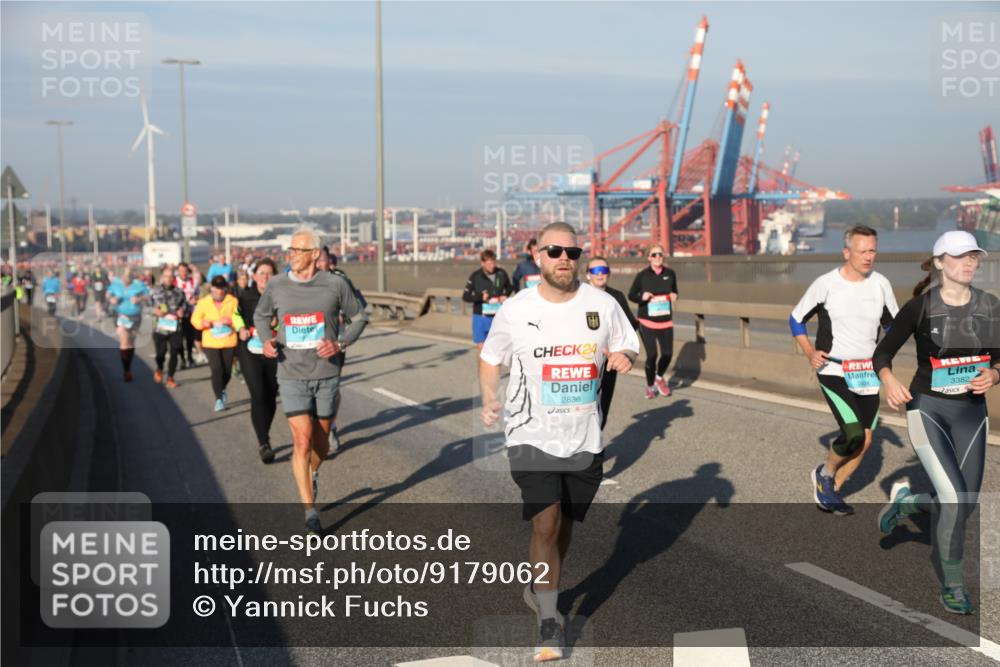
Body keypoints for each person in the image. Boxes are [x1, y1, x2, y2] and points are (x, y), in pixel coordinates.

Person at [479, 222, 640, 662]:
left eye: (572, 252)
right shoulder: (516, 309)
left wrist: (624, 356)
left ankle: (540, 587)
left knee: (565, 524)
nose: (564, 258)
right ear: (538, 256)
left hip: (584, 434)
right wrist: (489, 396)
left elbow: (629, 343)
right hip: (530, 433)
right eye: (554, 251)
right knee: (546, 523)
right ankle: (549, 619)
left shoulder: (602, 304)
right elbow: (490, 358)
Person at [874, 230, 999, 615]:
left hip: (971, 413)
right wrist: (889, 381)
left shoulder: (990, 306)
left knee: (965, 503)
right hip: (927, 408)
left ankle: (908, 504)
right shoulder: (920, 308)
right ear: (940, 262)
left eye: (974, 256)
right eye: (960, 256)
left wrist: (995, 375)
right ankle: (954, 586)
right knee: (955, 499)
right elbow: (882, 353)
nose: (970, 262)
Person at [255, 228, 367, 535]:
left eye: (298, 250)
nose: (291, 255)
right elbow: (261, 316)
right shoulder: (277, 284)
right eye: (290, 249)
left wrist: (340, 343)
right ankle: (310, 512)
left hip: (326, 373)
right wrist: (266, 340)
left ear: (315, 254)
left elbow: (359, 317)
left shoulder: (335, 284)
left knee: (321, 443)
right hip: (290, 373)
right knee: (302, 440)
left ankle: (312, 472)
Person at [790, 225, 898, 515]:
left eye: (872, 250)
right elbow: (796, 319)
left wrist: (888, 358)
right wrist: (810, 352)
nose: (868, 257)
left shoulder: (881, 284)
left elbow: (893, 326)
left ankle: (831, 489)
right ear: (846, 252)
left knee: (865, 441)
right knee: (852, 433)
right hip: (833, 370)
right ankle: (824, 474)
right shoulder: (826, 284)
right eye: (862, 251)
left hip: (867, 373)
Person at [318, 247, 367, 452]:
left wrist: (343, 315)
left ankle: (330, 426)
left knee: (332, 387)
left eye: (321, 259)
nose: (317, 264)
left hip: (335, 342)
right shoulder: (298, 281)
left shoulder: (341, 280)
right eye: (314, 259)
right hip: (306, 344)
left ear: (329, 261)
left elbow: (359, 307)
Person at [234, 258, 280, 463]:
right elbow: (235, 315)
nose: (265, 277)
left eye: (269, 273)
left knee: (270, 395)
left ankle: (264, 431)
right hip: (249, 350)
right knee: (258, 393)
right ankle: (263, 443)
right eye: (261, 273)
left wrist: (277, 325)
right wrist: (241, 328)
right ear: (254, 276)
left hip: (273, 351)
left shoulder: (281, 297)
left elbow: (289, 320)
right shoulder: (245, 296)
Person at [586, 256, 639, 429]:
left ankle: (598, 438)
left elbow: (629, 325)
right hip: (585, 358)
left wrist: (621, 349)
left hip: (610, 358)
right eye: (595, 271)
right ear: (588, 275)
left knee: (604, 401)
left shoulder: (617, 297)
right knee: (584, 402)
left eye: (604, 270)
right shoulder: (579, 297)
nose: (600, 274)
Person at [628, 244, 679, 399]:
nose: (658, 257)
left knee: (667, 354)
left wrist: (674, 295)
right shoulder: (642, 276)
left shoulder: (670, 274)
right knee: (652, 355)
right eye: (654, 255)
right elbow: (631, 295)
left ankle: (659, 377)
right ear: (649, 257)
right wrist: (642, 297)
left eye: (660, 254)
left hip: (665, 320)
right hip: (646, 321)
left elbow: (674, 291)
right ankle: (650, 386)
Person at [191, 275, 240, 412]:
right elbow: (195, 320)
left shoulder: (233, 301)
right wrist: (208, 323)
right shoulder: (203, 302)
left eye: (221, 288)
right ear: (211, 288)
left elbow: (239, 319)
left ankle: (221, 389)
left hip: (228, 340)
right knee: (217, 369)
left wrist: (230, 321)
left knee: (227, 371)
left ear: (225, 288)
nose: (219, 291)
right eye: (216, 288)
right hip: (211, 341)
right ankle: (219, 399)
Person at [462, 249, 513, 350]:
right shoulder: (475, 276)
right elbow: (465, 296)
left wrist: (504, 295)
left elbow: (509, 287)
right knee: (481, 347)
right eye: (489, 264)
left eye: (493, 263)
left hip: (497, 316)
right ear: (482, 263)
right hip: (480, 316)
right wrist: (480, 297)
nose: (492, 266)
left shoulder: (501, 273)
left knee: (496, 348)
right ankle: (481, 361)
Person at [108, 267, 150, 382]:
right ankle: (126, 371)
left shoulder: (139, 284)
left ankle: (128, 367)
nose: (127, 280)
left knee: (131, 343)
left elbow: (148, 296)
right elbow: (108, 294)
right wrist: (112, 299)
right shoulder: (116, 284)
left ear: (133, 277)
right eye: (125, 278)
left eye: (129, 278)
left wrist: (139, 299)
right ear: (121, 276)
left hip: (135, 317)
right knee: (124, 342)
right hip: (120, 315)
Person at [150, 266, 186, 388]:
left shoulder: (179, 292)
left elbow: (184, 306)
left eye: (171, 276)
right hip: (159, 328)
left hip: (175, 327)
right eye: (166, 276)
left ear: (174, 278)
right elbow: (147, 306)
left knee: (174, 352)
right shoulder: (155, 292)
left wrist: (182, 311)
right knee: (160, 354)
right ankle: (159, 368)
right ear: (162, 277)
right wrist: (155, 311)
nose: (169, 279)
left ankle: (170, 377)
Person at [175, 262, 200, 368]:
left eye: (185, 271)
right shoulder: (174, 282)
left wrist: (196, 300)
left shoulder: (193, 281)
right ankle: (182, 359)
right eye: (181, 271)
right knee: (179, 339)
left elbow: (198, 295)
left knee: (189, 338)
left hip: (190, 314)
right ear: (178, 271)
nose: (183, 273)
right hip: (178, 314)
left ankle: (190, 357)